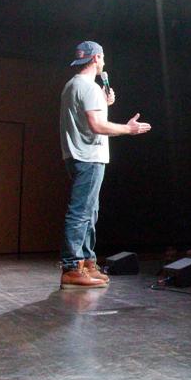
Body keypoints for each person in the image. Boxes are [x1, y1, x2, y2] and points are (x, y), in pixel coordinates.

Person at [59, 41, 151, 290]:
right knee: (81, 212)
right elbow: (97, 126)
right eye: (102, 58)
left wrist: (104, 101)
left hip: (79, 154)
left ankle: (87, 262)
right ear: (97, 57)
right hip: (88, 156)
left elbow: (87, 115)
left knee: (90, 211)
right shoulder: (87, 87)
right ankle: (71, 266)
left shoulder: (75, 85)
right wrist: (129, 129)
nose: (104, 63)